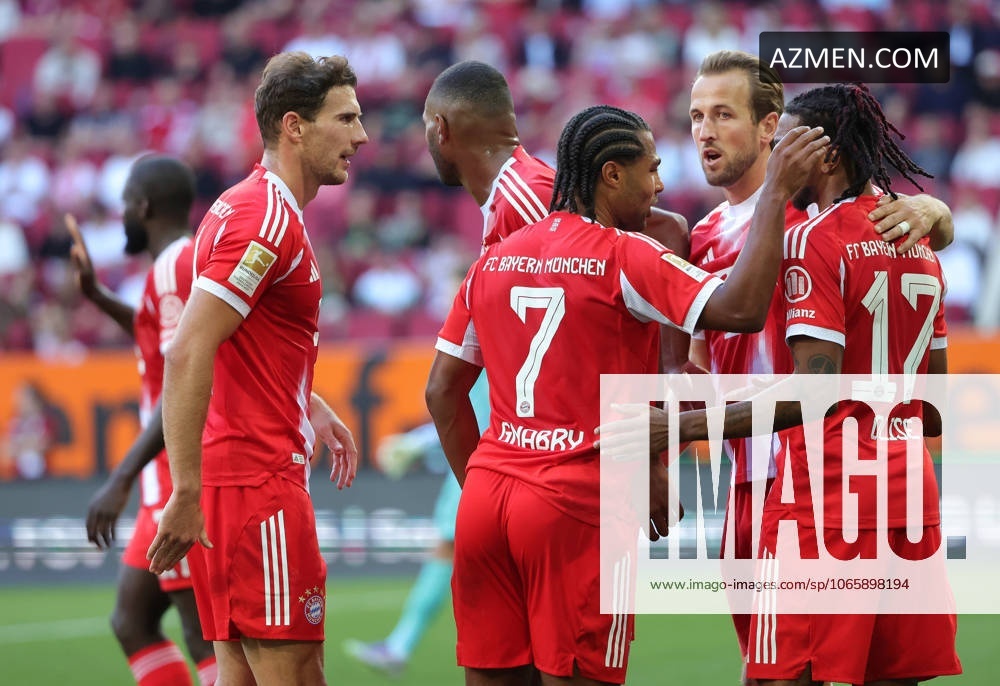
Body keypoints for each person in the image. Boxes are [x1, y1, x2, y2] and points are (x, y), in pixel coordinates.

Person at [425, 104, 827, 685]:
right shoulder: (624, 255)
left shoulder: (492, 259)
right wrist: (775, 196)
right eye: (651, 169)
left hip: (487, 500)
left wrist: (491, 483)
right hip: (577, 499)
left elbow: (442, 391)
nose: (659, 186)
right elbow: (741, 310)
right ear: (612, 174)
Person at [685, 50, 956, 680]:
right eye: (696, 115)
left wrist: (932, 211)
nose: (705, 130)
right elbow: (694, 361)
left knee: (781, 669)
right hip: (765, 477)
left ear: (769, 128)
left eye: (723, 114)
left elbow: (819, 385)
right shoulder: (699, 235)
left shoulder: (808, 219)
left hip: (809, 476)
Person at [145, 52, 363, 686]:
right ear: (294, 126)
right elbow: (187, 349)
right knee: (297, 674)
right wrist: (185, 491)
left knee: (239, 674)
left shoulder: (240, 206)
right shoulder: (265, 220)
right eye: (345, 118)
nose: (361, 136)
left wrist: (306, 402)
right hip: (256, 485)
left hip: (238, 482)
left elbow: (235, 341)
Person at [69, 155, 219, 686]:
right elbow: (157, 335)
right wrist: (97, 296)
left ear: (145, 206)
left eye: (126, 205)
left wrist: (120, 477)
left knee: (202, 635)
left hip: (177, 481)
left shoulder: (174, 267)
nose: (122, 216)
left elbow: (184, 378)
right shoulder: (177, 266)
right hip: (169, 480)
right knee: (132, 621)